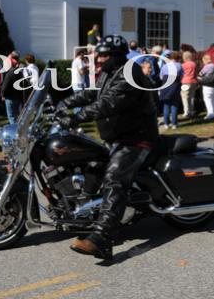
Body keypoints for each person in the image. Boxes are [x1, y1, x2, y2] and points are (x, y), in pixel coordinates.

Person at [56, 35, 159, 261]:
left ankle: (103, 238)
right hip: (118, 137)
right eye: (98, 54)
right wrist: (66, 102)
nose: (98, 58)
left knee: (114, 178)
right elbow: (95, 93)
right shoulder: (110, 72)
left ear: (117, 56)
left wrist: (76, 117)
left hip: (136, 138)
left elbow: (108, 103)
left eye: (103, 55)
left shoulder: (130, 75)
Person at [159, 50, 182, 129]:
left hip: (165, 86)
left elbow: (161, 77)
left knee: (166, 105)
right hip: (175, 86)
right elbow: (182, 76)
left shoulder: (165, 66)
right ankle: (174, 124)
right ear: (178, 58)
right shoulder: (179, 65)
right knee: (174, 105)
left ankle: (166, 123)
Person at [1, 52, 25, 125]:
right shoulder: (21, 71)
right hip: (19, 97)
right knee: (18, 116)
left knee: (12, 117)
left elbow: (5, 86)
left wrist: (3, 95)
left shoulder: (10, 73)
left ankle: (15, 132)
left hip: (10, 98)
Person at [198, 54, 214, 121]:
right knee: (213, 100)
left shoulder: (207, 66)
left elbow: (200, 74)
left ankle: (210, 114)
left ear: (205, 60)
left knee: (207, 100)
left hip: (207, 85)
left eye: (203, 61)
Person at [180, 51, 198, 119]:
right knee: (192, 97)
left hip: (185, 82)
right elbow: (196, 73)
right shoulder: (194, 64)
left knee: (184, 97)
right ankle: (191, 110)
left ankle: (186, 112)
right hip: (193, 81)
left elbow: (181, 74)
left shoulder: (183, 65)